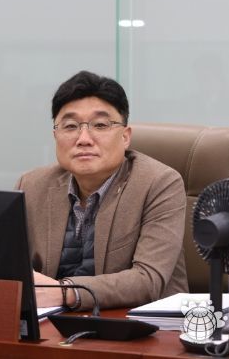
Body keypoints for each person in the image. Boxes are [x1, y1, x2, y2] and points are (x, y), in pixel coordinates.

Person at [16, 71, 188, 311]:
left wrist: (64, 292)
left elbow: (147, 280)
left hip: (139, 326)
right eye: (70, 126)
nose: (84, 139)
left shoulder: (159, 184)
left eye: (100, 125)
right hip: (51, 323)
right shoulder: (32, 185)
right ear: (55, 135)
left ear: (125, 137)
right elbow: (12, 270)